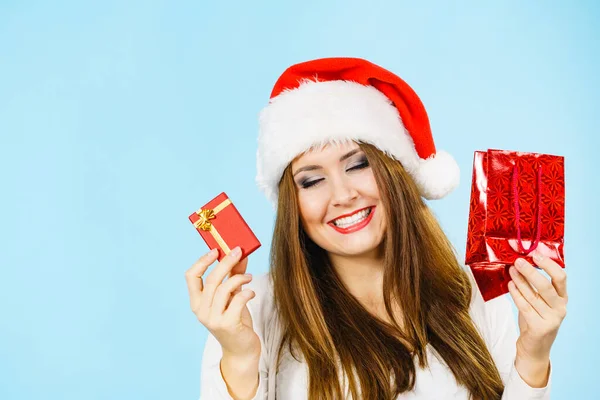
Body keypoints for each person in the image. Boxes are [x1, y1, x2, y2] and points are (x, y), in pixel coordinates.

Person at [185, 58, 568, 399]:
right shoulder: (254, 309)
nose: (343, 195)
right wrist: (238, 356)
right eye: (311, 181)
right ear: (293, 206)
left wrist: (533, 356)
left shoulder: (475, 292)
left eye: (358, 165)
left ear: (395, 173)